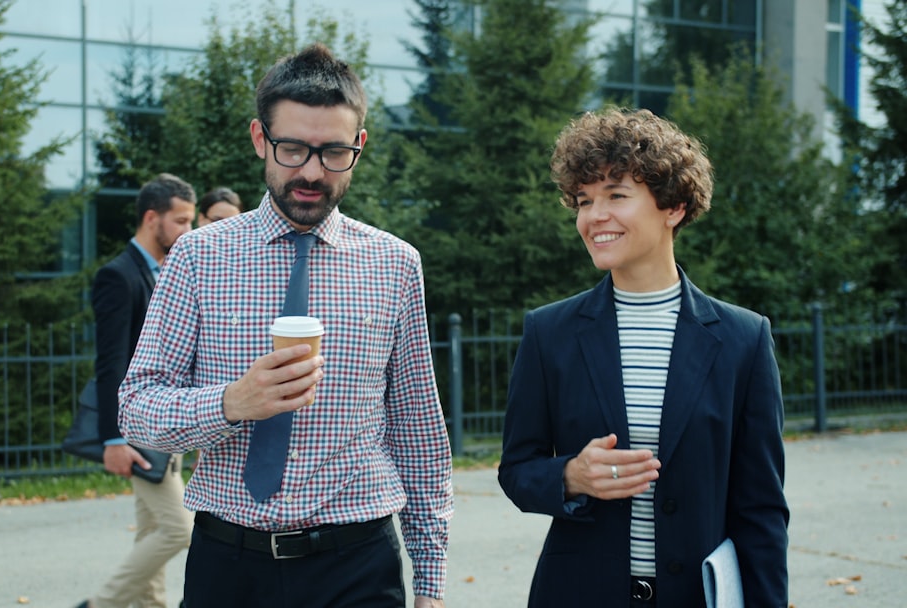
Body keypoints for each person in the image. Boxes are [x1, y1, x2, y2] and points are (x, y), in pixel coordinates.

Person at [117, 43, 453, 608]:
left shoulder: (395, 264)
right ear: (259, 140)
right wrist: (231, 402)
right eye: (293, 149)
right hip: (229, 565)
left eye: (334, 153)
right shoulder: (198, 257)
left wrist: (432, 582)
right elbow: (136, 410)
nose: (313, 173)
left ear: (359, 146)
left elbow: (419, 429)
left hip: (359, 565)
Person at [497, 108, 789, 607]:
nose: (594, 216)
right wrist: (570, 476)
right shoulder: (549, 332)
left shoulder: (744, 340)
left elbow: (761, 510)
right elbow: (517, 470)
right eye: (585, 200)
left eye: (616, 195)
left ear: (672, 205)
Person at [79, 173, 197, 608]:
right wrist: (113, 438)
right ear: (152, 219)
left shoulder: (163, 272)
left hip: (166, 425)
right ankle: (102, 603)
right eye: (181, 221)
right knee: (178, 528)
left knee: (153, 528)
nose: (189, 230)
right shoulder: (119, 276)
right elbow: (110, 365)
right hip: (136, 427)